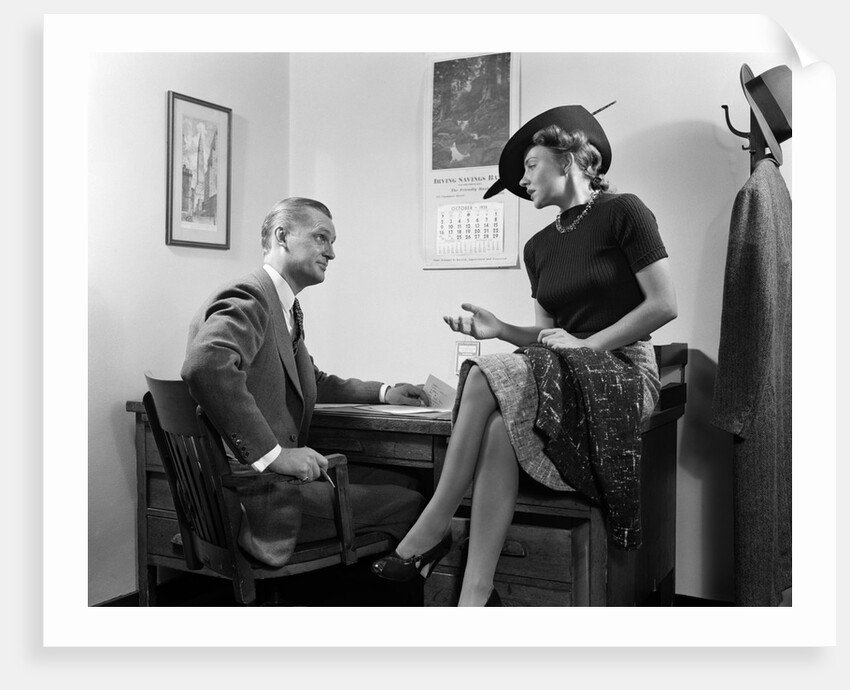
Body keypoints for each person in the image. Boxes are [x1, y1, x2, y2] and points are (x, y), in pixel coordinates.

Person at [371, 105, 677, 606]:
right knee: (498, 428)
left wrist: (587, 345)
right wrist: (502, 330)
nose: (523, 179)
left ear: (569, 159)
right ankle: (476, 593)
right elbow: (547, 339)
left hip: (623, 370)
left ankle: (434, 524)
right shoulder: (537, 248)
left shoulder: (625, 211)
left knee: (480, 375)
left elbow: (664, 304)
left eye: (531, 165)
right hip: (567, 370)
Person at [181, 196, 429, 568]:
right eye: (320, 237)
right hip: (258, 498)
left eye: (332, 242)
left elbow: (311, 380)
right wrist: (275, 455)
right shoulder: (250, 297)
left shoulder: (283, 305)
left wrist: (384, 392)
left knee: (407, 481)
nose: (331, 252)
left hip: (262, 486)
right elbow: (205, 365)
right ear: (282, 236)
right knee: (417, 502)